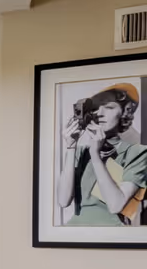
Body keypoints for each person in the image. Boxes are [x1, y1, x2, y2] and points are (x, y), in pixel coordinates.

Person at [58, 82, 146, 226]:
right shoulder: (79, 151)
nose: (99, 113)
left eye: (109, 107)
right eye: (96, 108)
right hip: (74, 232)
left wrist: (95, 154)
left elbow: (115, 205)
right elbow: (63, 201)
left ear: (125, 112)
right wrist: (71, 147)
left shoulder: (137, 153)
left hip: (111, 236)